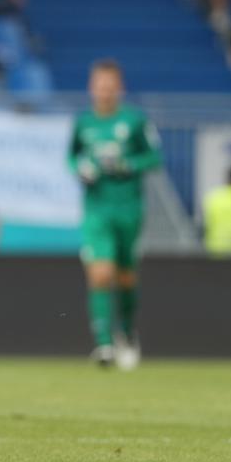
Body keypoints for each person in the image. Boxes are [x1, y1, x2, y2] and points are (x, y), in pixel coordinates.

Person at [67, 59, 162, 370]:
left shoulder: (134, 120)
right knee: (100, 273)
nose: (104, 91)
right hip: (97, 208)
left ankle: (127, 333)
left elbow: (154, 157)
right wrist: (81, 168)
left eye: (109, 86)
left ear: (119, 88)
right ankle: (104, 344)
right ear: (91, 88)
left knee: (125, 276)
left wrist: (127, 164)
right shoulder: (83, 123)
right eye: (99, 86)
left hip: (129, 207)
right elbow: (72, 157)